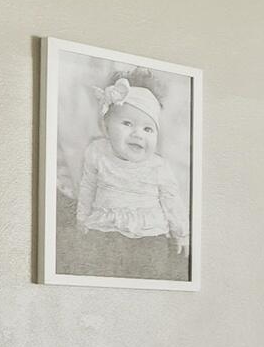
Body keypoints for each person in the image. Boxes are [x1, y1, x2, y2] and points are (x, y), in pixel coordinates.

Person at [65, 75, 188, 280]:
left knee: (151, 274)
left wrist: (182, 233)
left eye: (148, 129)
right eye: (128, 123)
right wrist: (82, 217)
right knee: (95, 271)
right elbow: (88, 186)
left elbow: (172, 201)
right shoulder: (97, 152)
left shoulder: (158, 166)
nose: (138, 134)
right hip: (104, 229)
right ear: (106, 127)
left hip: (150, 235)